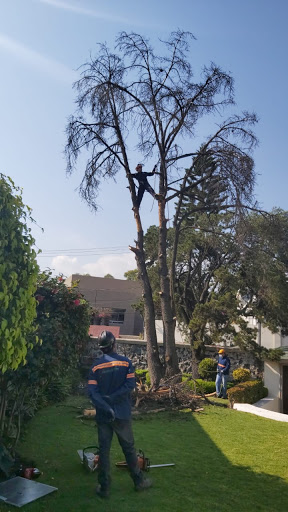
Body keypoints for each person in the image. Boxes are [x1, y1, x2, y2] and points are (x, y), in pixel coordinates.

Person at [87, 330, 152, 498]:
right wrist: (113, 399)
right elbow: (130, 385)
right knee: (129, 449)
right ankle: (139, 482)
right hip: (122, 413)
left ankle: (104, 488)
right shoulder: (126, 363)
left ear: (101, 348)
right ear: (114, 344)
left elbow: (93, 393)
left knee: (104, 450)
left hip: (103, 415)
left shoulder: (95, 367)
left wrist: (105, 403)